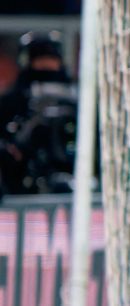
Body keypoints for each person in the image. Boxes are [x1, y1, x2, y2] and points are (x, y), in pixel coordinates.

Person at [0, 29, 76, 195]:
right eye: (38, 58)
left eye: (50, 57)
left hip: (73, 170)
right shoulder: (11, 101)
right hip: (23, 178)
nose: (45, 64)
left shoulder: (75, 99)